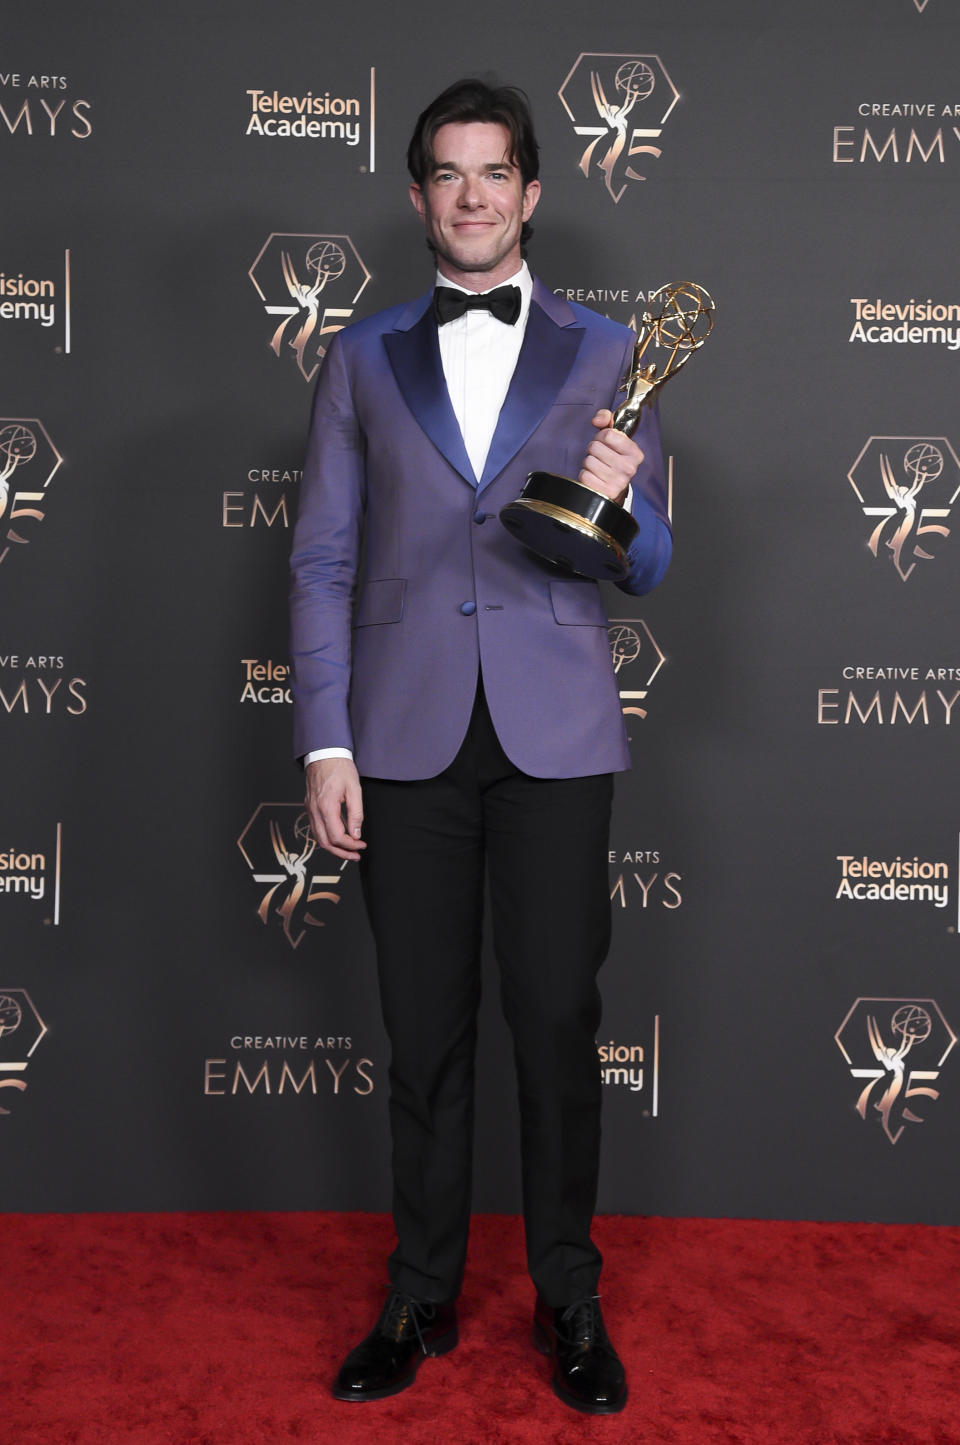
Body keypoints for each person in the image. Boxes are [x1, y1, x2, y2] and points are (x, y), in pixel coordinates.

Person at [289, 77, 672, 1415]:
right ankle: (419, 1293)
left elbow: (654, 561)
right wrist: (324, 742)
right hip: (400, 736)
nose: (471, 195)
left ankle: (571, 1294)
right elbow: (324, 554)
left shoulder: (611, 348)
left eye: (493, 171)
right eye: (447, 174)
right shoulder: (361, 353)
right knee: (424, 1030)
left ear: (533, 190)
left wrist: (622, 505)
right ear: (417, 195)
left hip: (556, 732)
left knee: (559, 1019)